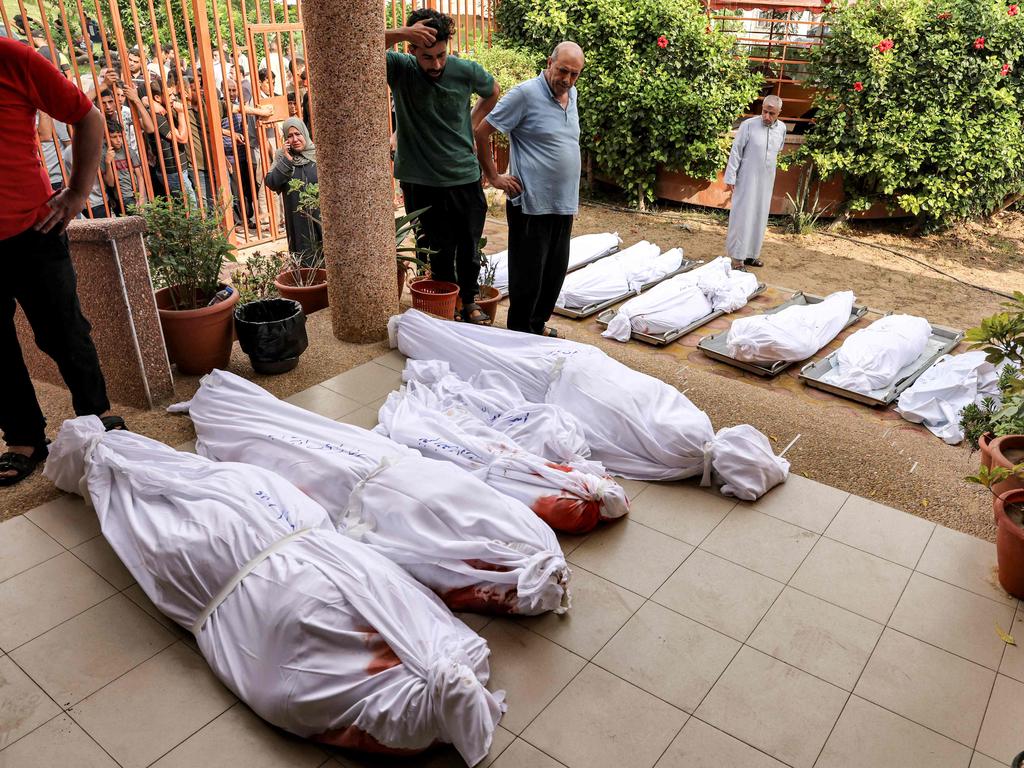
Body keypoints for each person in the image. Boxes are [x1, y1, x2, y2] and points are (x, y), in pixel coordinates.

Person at [0, 37, 124, 486]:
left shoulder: (12, 58)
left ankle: (97, 418)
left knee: (65, 332)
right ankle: (23, 438)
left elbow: (86, 117)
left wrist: (77, 192)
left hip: (35, 231)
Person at [385, 9, 500, 324]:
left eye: (441, 55)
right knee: (434, 249)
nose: (435, 64)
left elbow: (492, 92)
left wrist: (473, 123)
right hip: (420, 181)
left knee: (468, 246)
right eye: (427, 57)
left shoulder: (465, 71)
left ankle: (469, 301)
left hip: (463, 176)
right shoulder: (401, 69)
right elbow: (359, 47)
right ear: (412, 50)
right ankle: (443, 308)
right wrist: (402, 32)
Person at [475, 41, 585, 337]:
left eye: (575, 74)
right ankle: (520, 334)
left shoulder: (571, 95)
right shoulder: (525, 94)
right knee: (528, 277)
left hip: (563, 203)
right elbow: (482, 131)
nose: (567, 80)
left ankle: (536, 326)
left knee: (554, 273)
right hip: (530, 203)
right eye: (563, 71)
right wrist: (495, 176)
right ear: (550, 62)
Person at [724, 95, 787, 269]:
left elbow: (778, 150)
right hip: (746, 178)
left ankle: (751, 255)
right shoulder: (748, 126)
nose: (767, 116)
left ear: (779, 113)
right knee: (742, 216)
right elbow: (736, 151)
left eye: (771, 113)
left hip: (766, 180)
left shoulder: (781, 129)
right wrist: (731, 177)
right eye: (765, 111)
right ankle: (737, 259)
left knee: (759, 216)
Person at [265, 118, 322, 264]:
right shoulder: (281, 156)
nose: (295, 139)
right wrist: (287, 160)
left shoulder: (319, 154)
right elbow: (271, 183)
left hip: (320, 221)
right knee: (304, 265)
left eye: (298, 134)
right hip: (297, 224)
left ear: (305, 133)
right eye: (290, 136)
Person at [149, 77, 198, 205]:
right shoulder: (157, 117)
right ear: (157, 98)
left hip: (179, 169)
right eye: (169, 95)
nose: (173, 98)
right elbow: (182, 138)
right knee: (190, 207)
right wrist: (181, 114)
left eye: (173, 94)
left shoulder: (165, 109)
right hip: (173, 172)